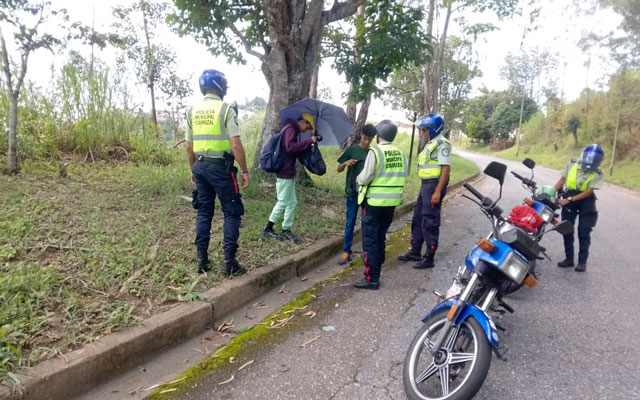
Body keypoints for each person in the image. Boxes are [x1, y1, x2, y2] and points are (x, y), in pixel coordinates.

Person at [186, 69, 250, 276]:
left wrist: (193, 169)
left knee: (204, 212)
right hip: (221, 168)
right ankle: (229, 262)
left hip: (200, 166)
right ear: (220, 86)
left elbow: (189, 146)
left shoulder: (192, 111)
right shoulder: (226, 109)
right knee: (231, 212)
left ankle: (202, 260)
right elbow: (236, 144)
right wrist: (245, 170)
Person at [353, 120, 408, 290]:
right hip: (391, 204)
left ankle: (372, 279)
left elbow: (365, 177)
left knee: (370, 240)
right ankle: (376, 271)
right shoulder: (401, 153)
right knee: (380, 238)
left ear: (378, 135)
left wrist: (357, 180)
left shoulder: (375, 152)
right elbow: (404, 174)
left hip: (373, 203)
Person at [398, 114, 451, 269]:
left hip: (434, 186)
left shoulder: (442, 144)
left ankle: (429, 257)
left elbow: (445, 170)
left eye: (425, 129)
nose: (423, 132)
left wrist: (437, 192)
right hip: (425, 185)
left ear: (435, 128)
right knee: (417, 218)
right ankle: (415, 251)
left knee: (430, 220)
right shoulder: (431, 143)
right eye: (422, 129)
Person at [262, 113, 317, 243]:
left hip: (288, 171)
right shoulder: (291, 129)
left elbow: (290, 149)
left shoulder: (291, 129)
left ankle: (286, 229)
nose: (307, 130)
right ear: (304, 121)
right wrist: (309, 141)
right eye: (308, 127)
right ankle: (268, 228)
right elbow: (289, 147)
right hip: (284, 171)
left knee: (292, 202)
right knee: (282, 201)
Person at [554, 144, 604, 272]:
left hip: (586, 201)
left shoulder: (597, 173)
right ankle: (569, 259)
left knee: (584, 231)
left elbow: (588, 192)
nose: (591, 160)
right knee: (567, 229)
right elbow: (561, 181)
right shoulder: (572, 165)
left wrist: (569, 200)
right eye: (588, 157)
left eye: (595, 159)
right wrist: (550, 194)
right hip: (569, 197)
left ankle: (582, 262)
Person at [336, 124, 377, 265]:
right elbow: (338, 169)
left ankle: (366, 251)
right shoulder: (352, 150)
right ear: (361, 136)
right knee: (350, 222)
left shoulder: (373, 153)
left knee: (366, 223)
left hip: (367, 193)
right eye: (365, 138)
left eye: (370, 140)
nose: (367, 142)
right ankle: (346, 251)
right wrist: (345, 163)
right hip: (352, 192)